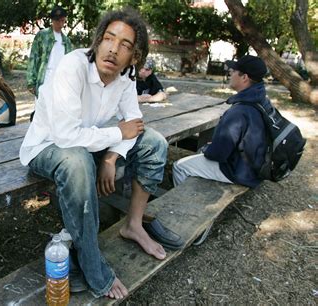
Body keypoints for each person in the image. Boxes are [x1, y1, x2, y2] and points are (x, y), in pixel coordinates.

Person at [20, 9, 177, 299]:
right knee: (78, 162)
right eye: (108, 38)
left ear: (134, 57)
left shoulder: (126, 77)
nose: (114, 49)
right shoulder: (73, 66)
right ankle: (92, 263)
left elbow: (134, 123)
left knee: (154, 143)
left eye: (126, 45)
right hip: (46, 145)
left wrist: (111, 156)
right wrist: (116, 136)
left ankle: (133, 225)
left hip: (88, 143)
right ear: (98, 40)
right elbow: (66, 136)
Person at [172, 55, 271, 188]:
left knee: (179, 166)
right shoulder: (262, 100)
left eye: (234, 71)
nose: (230, 73)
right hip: (256, 166)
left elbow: (218, 154)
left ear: (244, 77)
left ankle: (187, 204)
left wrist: (207, 149)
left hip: (240, 172)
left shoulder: (239, 111)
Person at [26, 6, 73, 103]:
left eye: (62, 21)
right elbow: (33, 58)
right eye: (57, 20)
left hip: (61, 81)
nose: (60, 23)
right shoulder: (42, 35)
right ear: (52, 20)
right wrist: (31, 81)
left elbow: (70, 64)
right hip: (44, 78)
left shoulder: (67, 41)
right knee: (41, 110)